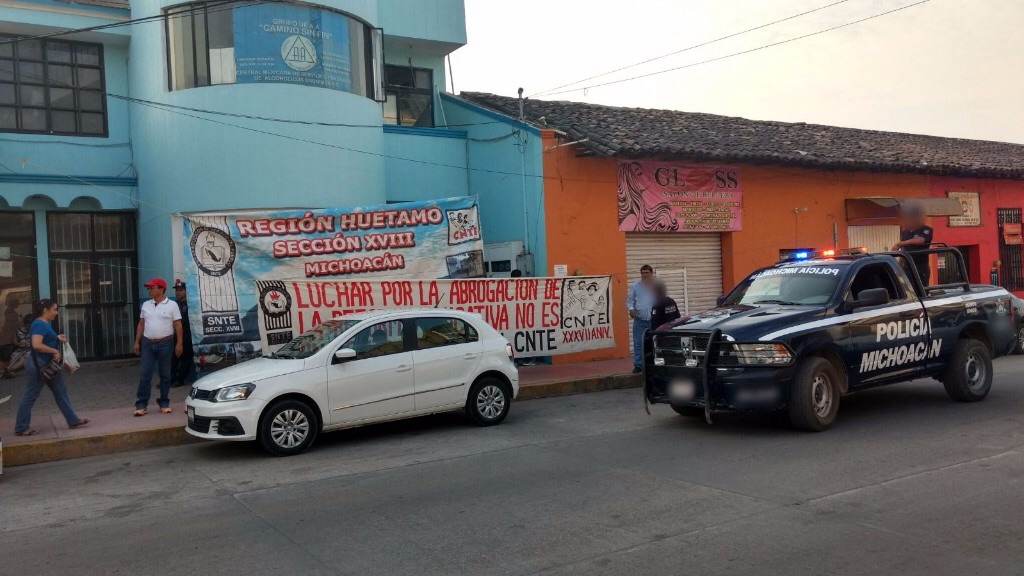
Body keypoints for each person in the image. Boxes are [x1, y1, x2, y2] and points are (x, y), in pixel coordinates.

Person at [14, 299, 89, 436]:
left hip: (48, 365)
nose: (56, 312)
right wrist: (55, 351)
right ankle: (21, 427)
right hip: (40, 366)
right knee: (30, 396)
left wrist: (57, 338)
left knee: (61, 392)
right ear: (45, 310)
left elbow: (44, 340)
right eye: (54, 309)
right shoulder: (39, 324)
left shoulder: (42, 323)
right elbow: (36, 344)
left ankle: (73, 420)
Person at [133, 278, 183, 416]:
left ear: (161, 289)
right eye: (148, 288)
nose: (149, 290)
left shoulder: (172, 305)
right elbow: (141, 324)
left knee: (165, 375)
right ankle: (142, 404)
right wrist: (137, 342)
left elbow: (178, 325)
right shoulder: (146, 305)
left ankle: (164, 402)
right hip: (147, 343)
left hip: (166, 343)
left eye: (152, 288)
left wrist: (179, 343)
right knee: (145, 374)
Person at [891, 204, 934, 287]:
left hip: (920, 267)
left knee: (922, 288)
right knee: (907, 289)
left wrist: (899, 243)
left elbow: (920, 240)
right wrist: (899, 267)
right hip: (907, 267)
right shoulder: (905, 232)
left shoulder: (926, 229)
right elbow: (904, 250)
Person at [626, 264, 657, 373]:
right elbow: (629, 300)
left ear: (651, 273)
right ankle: (638, 365)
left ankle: (654, 364)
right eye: (642, 273)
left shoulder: (657, 285)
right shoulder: (636, 285)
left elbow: (662, 300)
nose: (644, 275)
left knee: (654, 342)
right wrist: (631, 309)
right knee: (638, 343)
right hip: (639, 319)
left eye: (647, 273)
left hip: (654, 319)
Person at [170, 279, 194, 388]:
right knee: (174, 357)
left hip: (188, 334)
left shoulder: (191, 304)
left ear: (186, 291)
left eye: (180, 290)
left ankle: (180, 379)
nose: (178, 292)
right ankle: (171, 379)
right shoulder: (174, 304)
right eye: (176, 290)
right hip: (176, 334)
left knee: (185, 358)